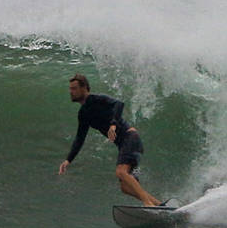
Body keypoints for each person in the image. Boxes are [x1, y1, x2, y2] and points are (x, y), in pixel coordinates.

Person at [58, 73, 162, 206]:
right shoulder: (83, 114)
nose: (70, 92)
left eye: (74, 88)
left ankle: (148, 203)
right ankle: (159, 205)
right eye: (70, 89)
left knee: (120, 172)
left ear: (84, 88)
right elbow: (80, 138)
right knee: (125, 187)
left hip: (130, 138)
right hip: (125, 144)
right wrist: (68, 160)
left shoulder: (96, 99)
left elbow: (118, 104)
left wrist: (113, 124)